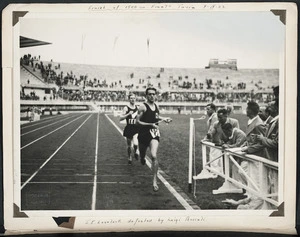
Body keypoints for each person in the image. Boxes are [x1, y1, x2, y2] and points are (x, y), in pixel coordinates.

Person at [136, 87, 172, 192]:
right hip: (143, 134)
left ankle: (154, 180)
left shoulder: (157, 106)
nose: (152, 96)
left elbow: (156, 117)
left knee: (154, 155)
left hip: (154, 133)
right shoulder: (143, 107)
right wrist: (150, 124)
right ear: (146, 96)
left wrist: (164, 119)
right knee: (142, 155)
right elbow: (137, 122)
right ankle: (142, 157)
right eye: (150, 94)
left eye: (154, 94)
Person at [119, 93, 140, 165]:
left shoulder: (137, 108)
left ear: (135, 99)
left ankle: (136, 151)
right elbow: (120, 118)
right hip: (129, 128)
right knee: (129, 146)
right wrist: (128, 114)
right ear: (129, 99)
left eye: (134, 98)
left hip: (136, 128)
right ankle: (129, 157)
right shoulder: (126, 108)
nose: (133, 99)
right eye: (131, 98)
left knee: (135, 144)